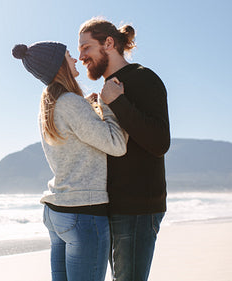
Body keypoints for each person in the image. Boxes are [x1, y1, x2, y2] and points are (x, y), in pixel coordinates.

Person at [12, 41, 128, 281]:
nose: (75, 59)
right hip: (83, 213)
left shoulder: (50, 105)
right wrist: (108, 105)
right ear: (58, 65)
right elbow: (117, 145)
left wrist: (89, 109)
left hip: (57, 213)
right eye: (68, 55)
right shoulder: (71, 103)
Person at [77, 17, 170, 281]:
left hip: (138, 208)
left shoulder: (144, 78)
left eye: (86, 47)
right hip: (112, 206)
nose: (81, 56)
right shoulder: (106, 90)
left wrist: (117, 102)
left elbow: (160, 142)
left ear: (108, 43)